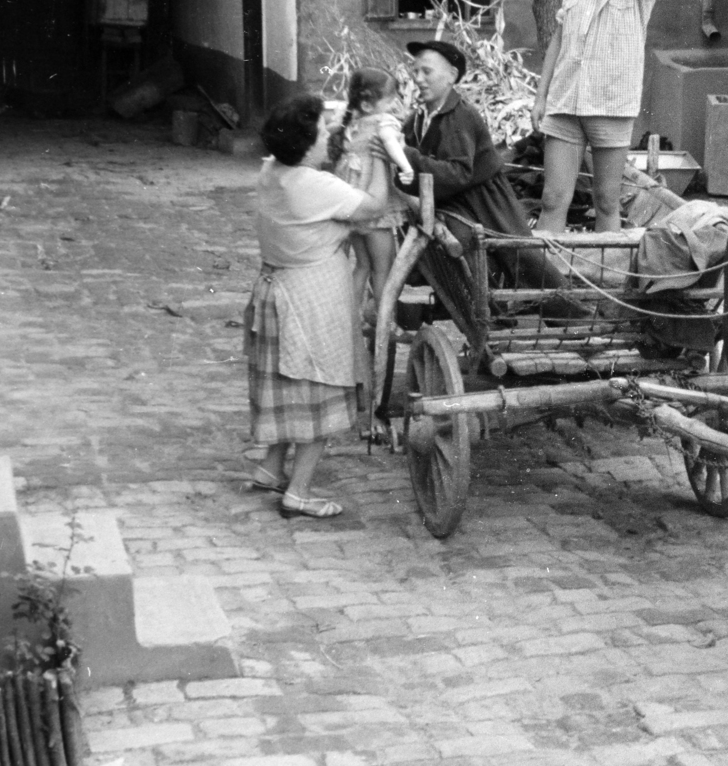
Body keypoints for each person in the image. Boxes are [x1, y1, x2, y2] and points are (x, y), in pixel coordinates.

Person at [244, 94, 391, 519]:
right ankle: (300, 492)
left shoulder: (271, 172)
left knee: (290, 387)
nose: (331, 137)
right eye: (324, 133)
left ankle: (271, 467)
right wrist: (379, 158)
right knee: (318, 394)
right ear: (306, 143)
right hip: (311, 298)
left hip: (276, 288)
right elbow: (375, 207)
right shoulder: (314, 185)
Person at [395, 40, 578, 306]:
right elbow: (410, 172)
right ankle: (491, 308)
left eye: (427, 72)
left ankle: (573, 315)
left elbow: (458, 173)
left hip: (486, 200)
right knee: (466, 253)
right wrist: (402, 167)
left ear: (451, 77)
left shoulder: (459, 117)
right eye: (416, 72)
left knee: (521, 258)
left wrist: (408, 157)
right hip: (454, 201)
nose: (419, 79)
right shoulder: (418, 119)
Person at [531, 0, 660, 233]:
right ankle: (546, 279)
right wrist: (541, 95)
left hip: (610, 106)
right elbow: (559, 39)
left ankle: (609, 278)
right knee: (553, 198)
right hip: (566, 102)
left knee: (606, 201)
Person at [332, 67, 415, 319]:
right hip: (377, 210)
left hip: (354, 207)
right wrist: (406, 166)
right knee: (384, 270)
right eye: (390, 99)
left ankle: (351, 320)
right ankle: (385, 323)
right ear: (369, 103)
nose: (394, 105)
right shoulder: (382, 122)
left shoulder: (351, 124)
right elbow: (390, 143)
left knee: (362, 266)